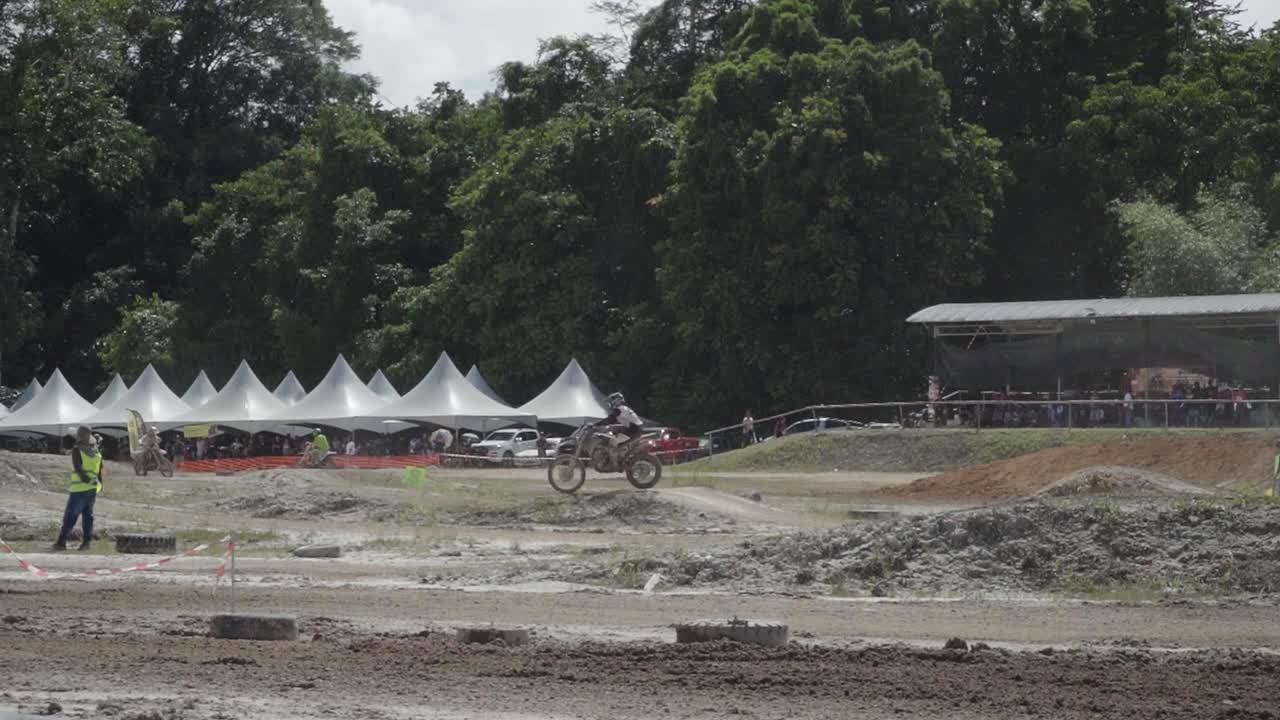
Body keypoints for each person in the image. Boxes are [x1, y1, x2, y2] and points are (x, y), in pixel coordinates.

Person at [53, 426, 103, 551]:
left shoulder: (77, 449)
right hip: (92, 489)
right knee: (88, 516)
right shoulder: (96, 452)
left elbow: (78, 468)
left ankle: (61, 542)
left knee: (71, 516)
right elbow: (99, 470)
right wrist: (98, 484)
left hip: (78, 488)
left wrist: (86, 479)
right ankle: (86, 543)